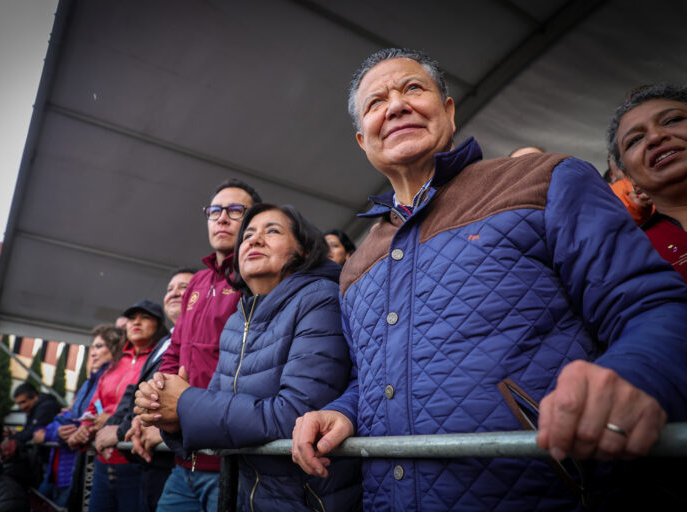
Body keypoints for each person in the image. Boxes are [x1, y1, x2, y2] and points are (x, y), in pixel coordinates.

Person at [290, 48, 687, 510]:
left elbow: (653, 306)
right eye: (376, 103)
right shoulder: (357, 264)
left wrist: (636, 375)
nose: (395, 106)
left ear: (450, 111)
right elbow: (372, 377)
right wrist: (342, 411)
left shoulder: (544, 180)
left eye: (413, 89)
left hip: (548, 492)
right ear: (364, 140)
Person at [135, 204, 362, 511]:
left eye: (273, 231)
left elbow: (293, 414)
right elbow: (217, 413)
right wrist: (168, 415)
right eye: (248, 236)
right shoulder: (237, 319)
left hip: (305, 497)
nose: (254, 241)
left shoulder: (319, 298)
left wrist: (185, 403)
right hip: (249, 495)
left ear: (305, 251)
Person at [130, 178, 261, 512]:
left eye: (235, 210)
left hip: (233, 462)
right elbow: (174, 351)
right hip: (183, 463)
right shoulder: (198, 282)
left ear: (253, 220)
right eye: (214, 210)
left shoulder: (258, 274)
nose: (222, 218)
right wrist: (153, 405)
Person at [94, 269, 195, 511]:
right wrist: (116, 428)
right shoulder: (165, 343)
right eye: (169, 289)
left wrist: (119, 431)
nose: (174, 293)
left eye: (183, 287)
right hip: (145, 459)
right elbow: (135, 393)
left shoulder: (199, 340)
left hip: (172, 458)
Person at [69, 300, 167, 512]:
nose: (137, 323)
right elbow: (94, 405)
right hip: (103, 462)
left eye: (145, 317)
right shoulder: (114, 362)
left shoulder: (162, 359)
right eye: (132, 318)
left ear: (158, 324)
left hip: (136, 462)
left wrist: (111, 421)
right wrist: (86, 426)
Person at [34, 325, 123, 508]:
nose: (93, 352)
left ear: (114, 348)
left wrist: (67, 428)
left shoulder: (112, 379)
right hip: (70, 463)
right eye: (93, 347)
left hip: (91, 462)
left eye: (99, 346)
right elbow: (71, 417)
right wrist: (57, 430)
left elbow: (83, 420)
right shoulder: (92, 380)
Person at [607, 83, 687, 282]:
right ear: (628, 175)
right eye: (635, 140)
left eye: (673, 120)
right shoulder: (632, 258)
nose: (655, 136)